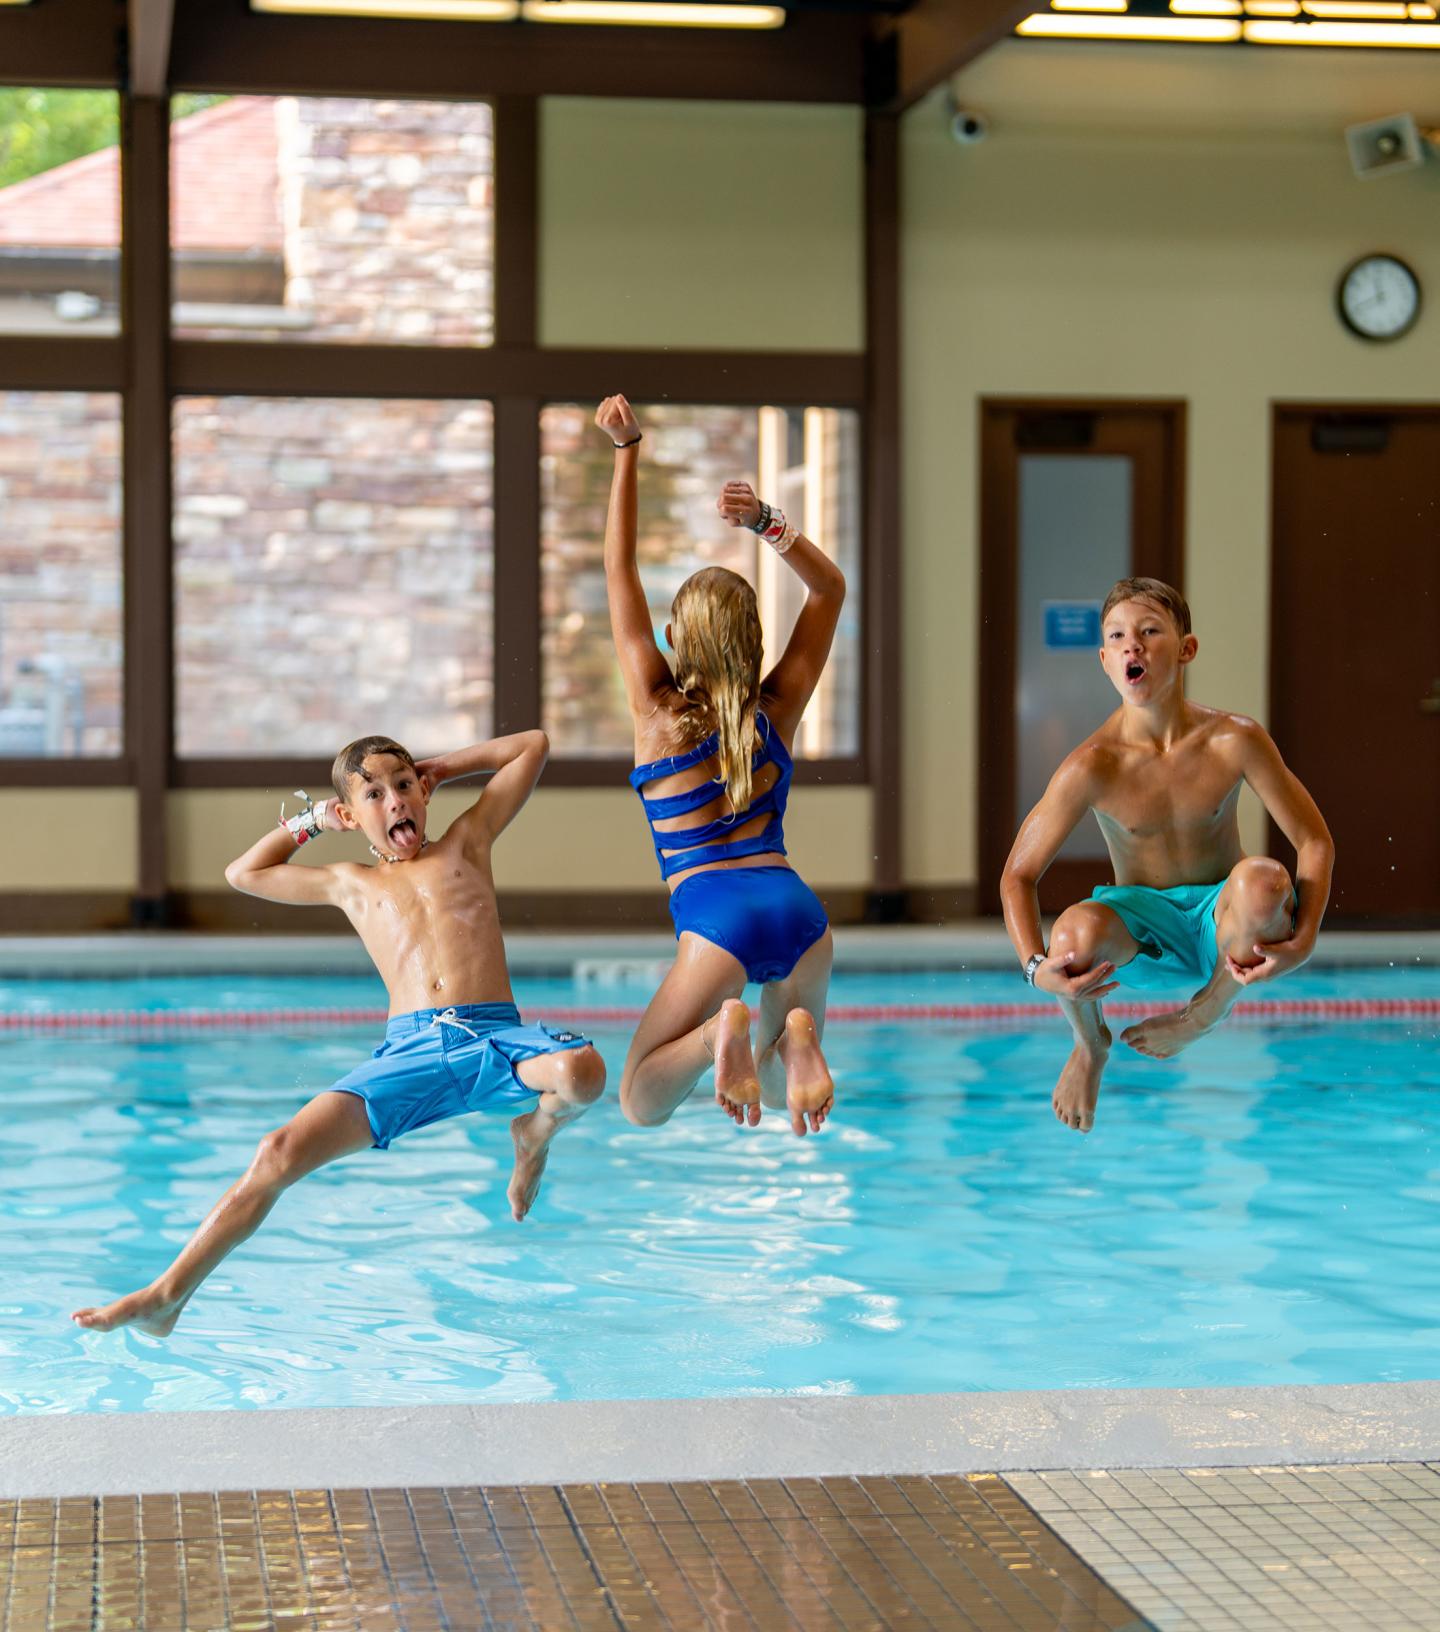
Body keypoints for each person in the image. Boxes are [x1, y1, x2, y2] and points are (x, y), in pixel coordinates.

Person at [72, 730, 605, 1336]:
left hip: (493, 1038)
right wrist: (316, 821)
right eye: (373, 795)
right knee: (276, 1153)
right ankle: (167, 1295)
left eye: (404, 786)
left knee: (582, 1073)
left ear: (424, 793)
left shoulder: (468, 843)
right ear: (353, 815)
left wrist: (438, 768)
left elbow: (532, 745)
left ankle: (533, 1135)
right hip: (410, 1051)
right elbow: (244, 872)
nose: (395, 801)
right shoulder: (351, 883)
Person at [1000, 576, 1334, 1135]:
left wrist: (1302, 943)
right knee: (1069, 939)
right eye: (1118, 636)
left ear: (1186, 649)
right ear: (1105, 661)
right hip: (1140, 931)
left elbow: (1314, 840)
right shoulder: (1093, 765)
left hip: (1223, 926)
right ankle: (1089, 1044)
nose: (1134, 645)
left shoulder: (1236, 740)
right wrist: (1036, 970)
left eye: (1150, 631)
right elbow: (1018, 875)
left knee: (1265, 881)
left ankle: (1204, 1013)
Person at [594, 393, 844, 1136]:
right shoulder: (779, 708)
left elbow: (617, 570)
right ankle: (796, 1037)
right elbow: (830, 590)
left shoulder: (656, 710)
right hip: (799, 909)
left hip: (717, 917)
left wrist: (627, 450)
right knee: (778, 1066)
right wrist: (766, 520)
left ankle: (715, 1036)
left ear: (676, 639)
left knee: (640, 1097)